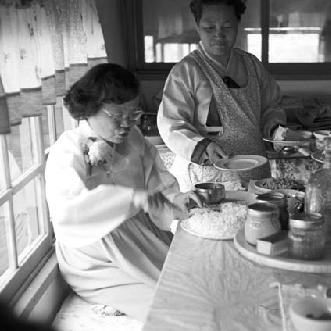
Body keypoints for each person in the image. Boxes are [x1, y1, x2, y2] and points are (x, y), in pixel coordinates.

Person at [45, 63, 203, 321]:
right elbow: (70, 211)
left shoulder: (134, 139)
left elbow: (157, 181)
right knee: (172, 307)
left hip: (138, 235)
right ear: (90, 108)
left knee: (196, 285)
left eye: (133, 114)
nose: (126, 124)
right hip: (95, 251)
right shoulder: (68, 149)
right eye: (117, 116)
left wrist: (178, 200)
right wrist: (134, 199)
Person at [157, 0, 287, 191]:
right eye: (209, 27)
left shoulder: (252, 65)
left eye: (227, 26)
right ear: (197, 27)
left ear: (237, 25)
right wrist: (203, 147)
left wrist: (277, 131)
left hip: (255, 175)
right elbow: (171, 125)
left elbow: (271, 107)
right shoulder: (186, 71)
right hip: (207, 181)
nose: (219, 34)